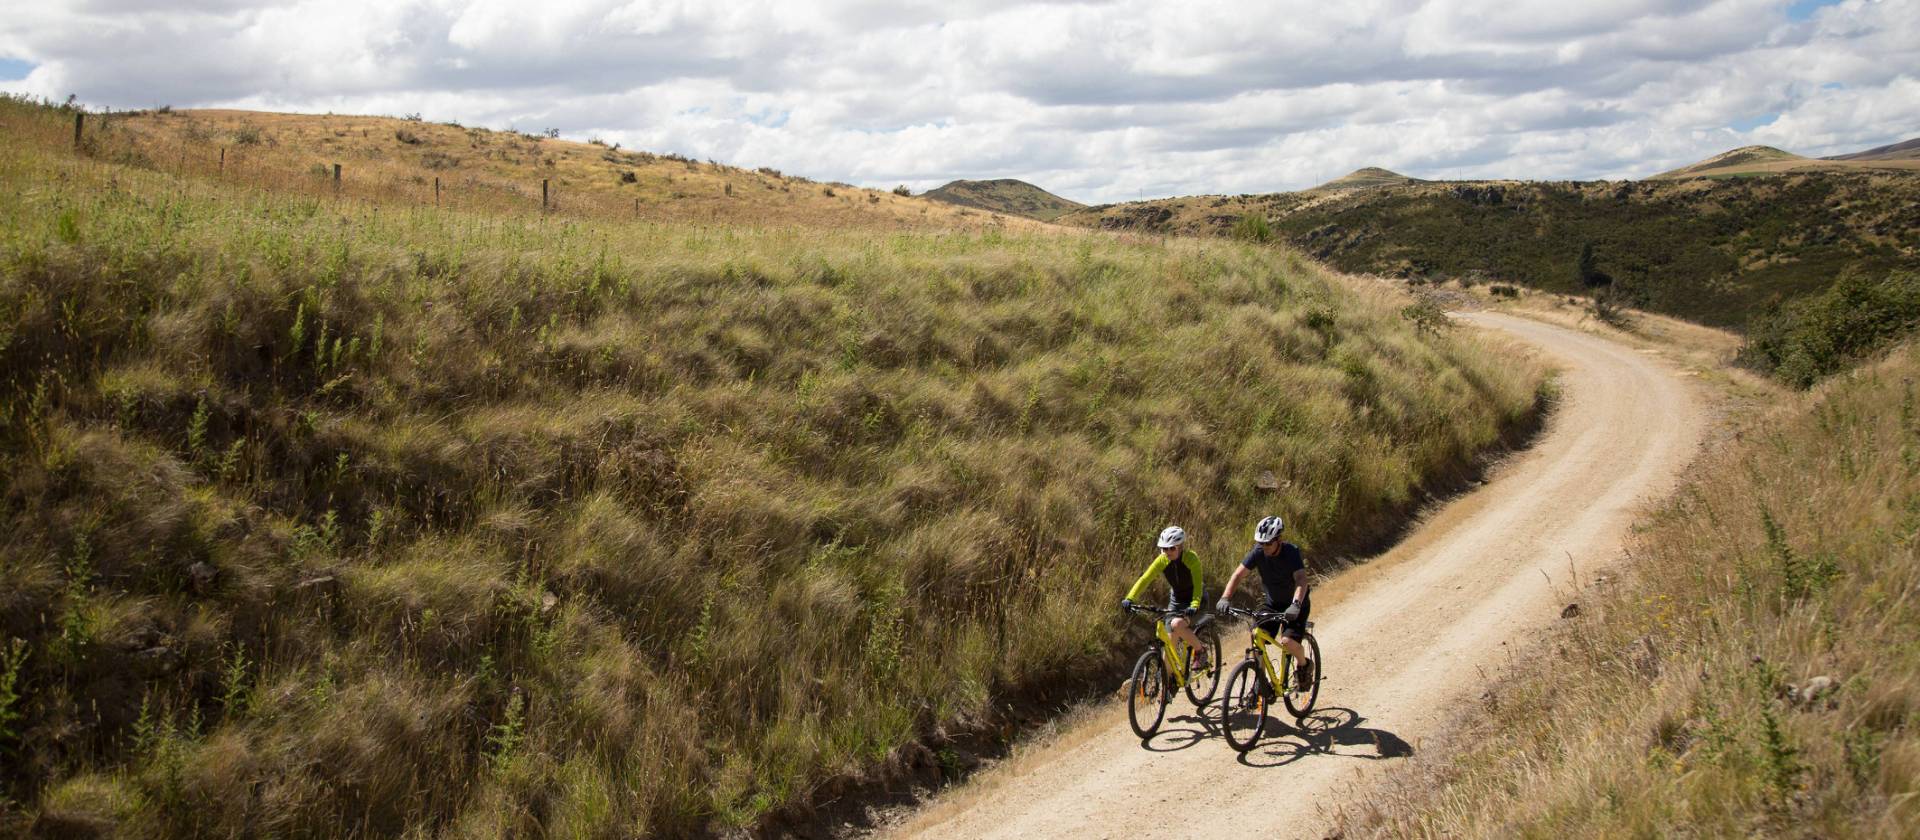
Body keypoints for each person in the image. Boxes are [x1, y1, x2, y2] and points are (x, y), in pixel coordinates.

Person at [1215, 515, 1313, 689]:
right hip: (1273, 603)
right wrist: (1225, 597)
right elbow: (1238, 575)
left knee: (1287, 642)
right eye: (1261, 543)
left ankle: (1304, 664)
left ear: (1279, 540)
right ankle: (1261, 679)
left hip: (1296, 604)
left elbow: (1301, 580)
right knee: (1256, 635)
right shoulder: (1258, 552)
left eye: (1268, 543)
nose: (1264, 547)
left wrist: (1296, 604)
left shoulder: (1291, 552)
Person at [1120, 525, 1209, 671]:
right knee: (1168, 646)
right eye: (1164, 548)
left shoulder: (1191, 558)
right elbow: (1145, 579)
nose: (1167, 552)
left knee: (1177, 625)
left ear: (1180, 547)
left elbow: (1198, 585)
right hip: (1177, 600)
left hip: (1196, 599)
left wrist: (1194, 605)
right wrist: (1130, 598)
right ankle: (1168, 685)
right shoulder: (1162, 560)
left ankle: (1200, 651)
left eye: (1171, 548)